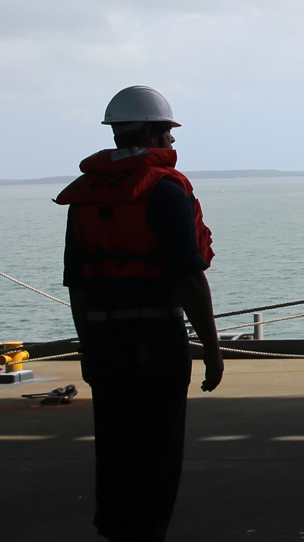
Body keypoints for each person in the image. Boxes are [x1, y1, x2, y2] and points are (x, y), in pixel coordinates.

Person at [55, 85, 224, 541]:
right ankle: (146, 533)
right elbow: (190, 279)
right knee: (157, 451)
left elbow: (78, 284)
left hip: (104, 343)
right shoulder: (164, 192)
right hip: (156, 341)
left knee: (113, 444)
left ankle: (113, 529)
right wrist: (213, 351)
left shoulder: (87, 196)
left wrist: (88, 348)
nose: (172, 144)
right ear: (152, 132)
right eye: (168, 134)